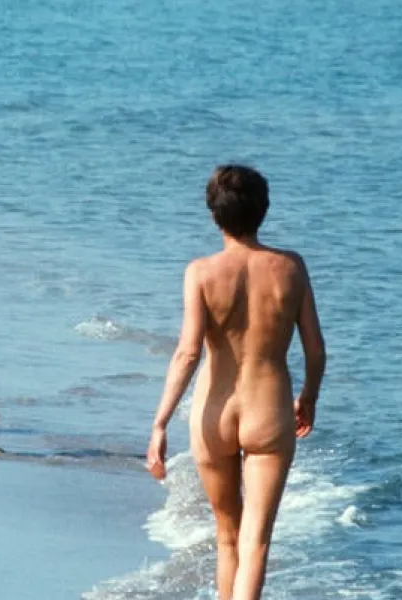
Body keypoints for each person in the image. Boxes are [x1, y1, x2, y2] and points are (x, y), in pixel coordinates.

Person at [146, 165, 326, 600]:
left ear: (214, 215)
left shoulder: (201, 273)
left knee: (226, 535)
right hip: (269, 411)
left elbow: (188, 352)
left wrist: (160, 424)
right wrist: (308, 398)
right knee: (255, 540)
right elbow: (316, 351)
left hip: (214, 413)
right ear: (263, 211)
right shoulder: (291, 267)